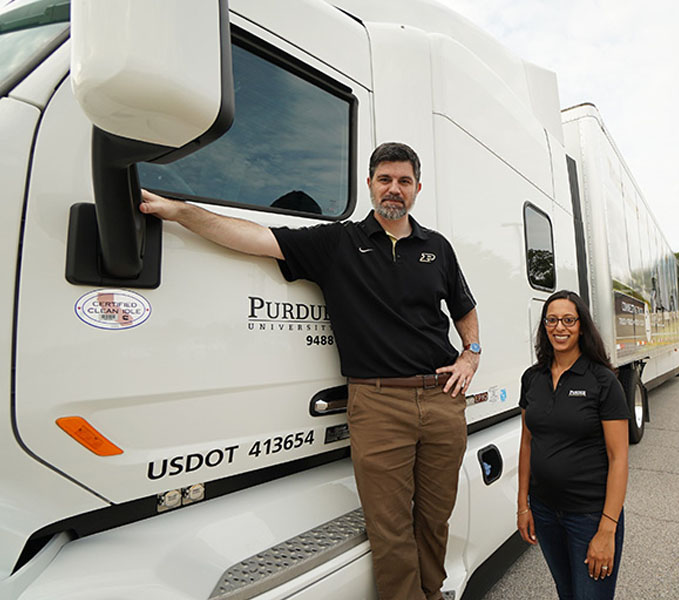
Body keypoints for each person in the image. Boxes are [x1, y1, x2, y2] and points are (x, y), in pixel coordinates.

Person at [140, 142, 480, 600]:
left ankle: (432, 592)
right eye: (385, 179)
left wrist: (471, 353)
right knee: (390, 526)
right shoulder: (338, 242)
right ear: (370, 185)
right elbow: (253, 236)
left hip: (442, 401)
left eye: (403, 181)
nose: (394, 190)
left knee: (435, 516)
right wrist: (183, 213)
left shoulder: (436, 247)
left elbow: (464, 307)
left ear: (417, 188)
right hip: (378, 404)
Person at [516, 290, 629, 600]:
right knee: (567, 594)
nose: (559, 327)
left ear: (581, 326)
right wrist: (523, 505)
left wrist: (607, 529)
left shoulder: (603, 381)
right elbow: (527, 442)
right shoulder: (532, 378)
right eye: (551, 320)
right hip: (545, 510)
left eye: (568, 320)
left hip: (590, 515)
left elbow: (618, 458)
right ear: (544, 326)